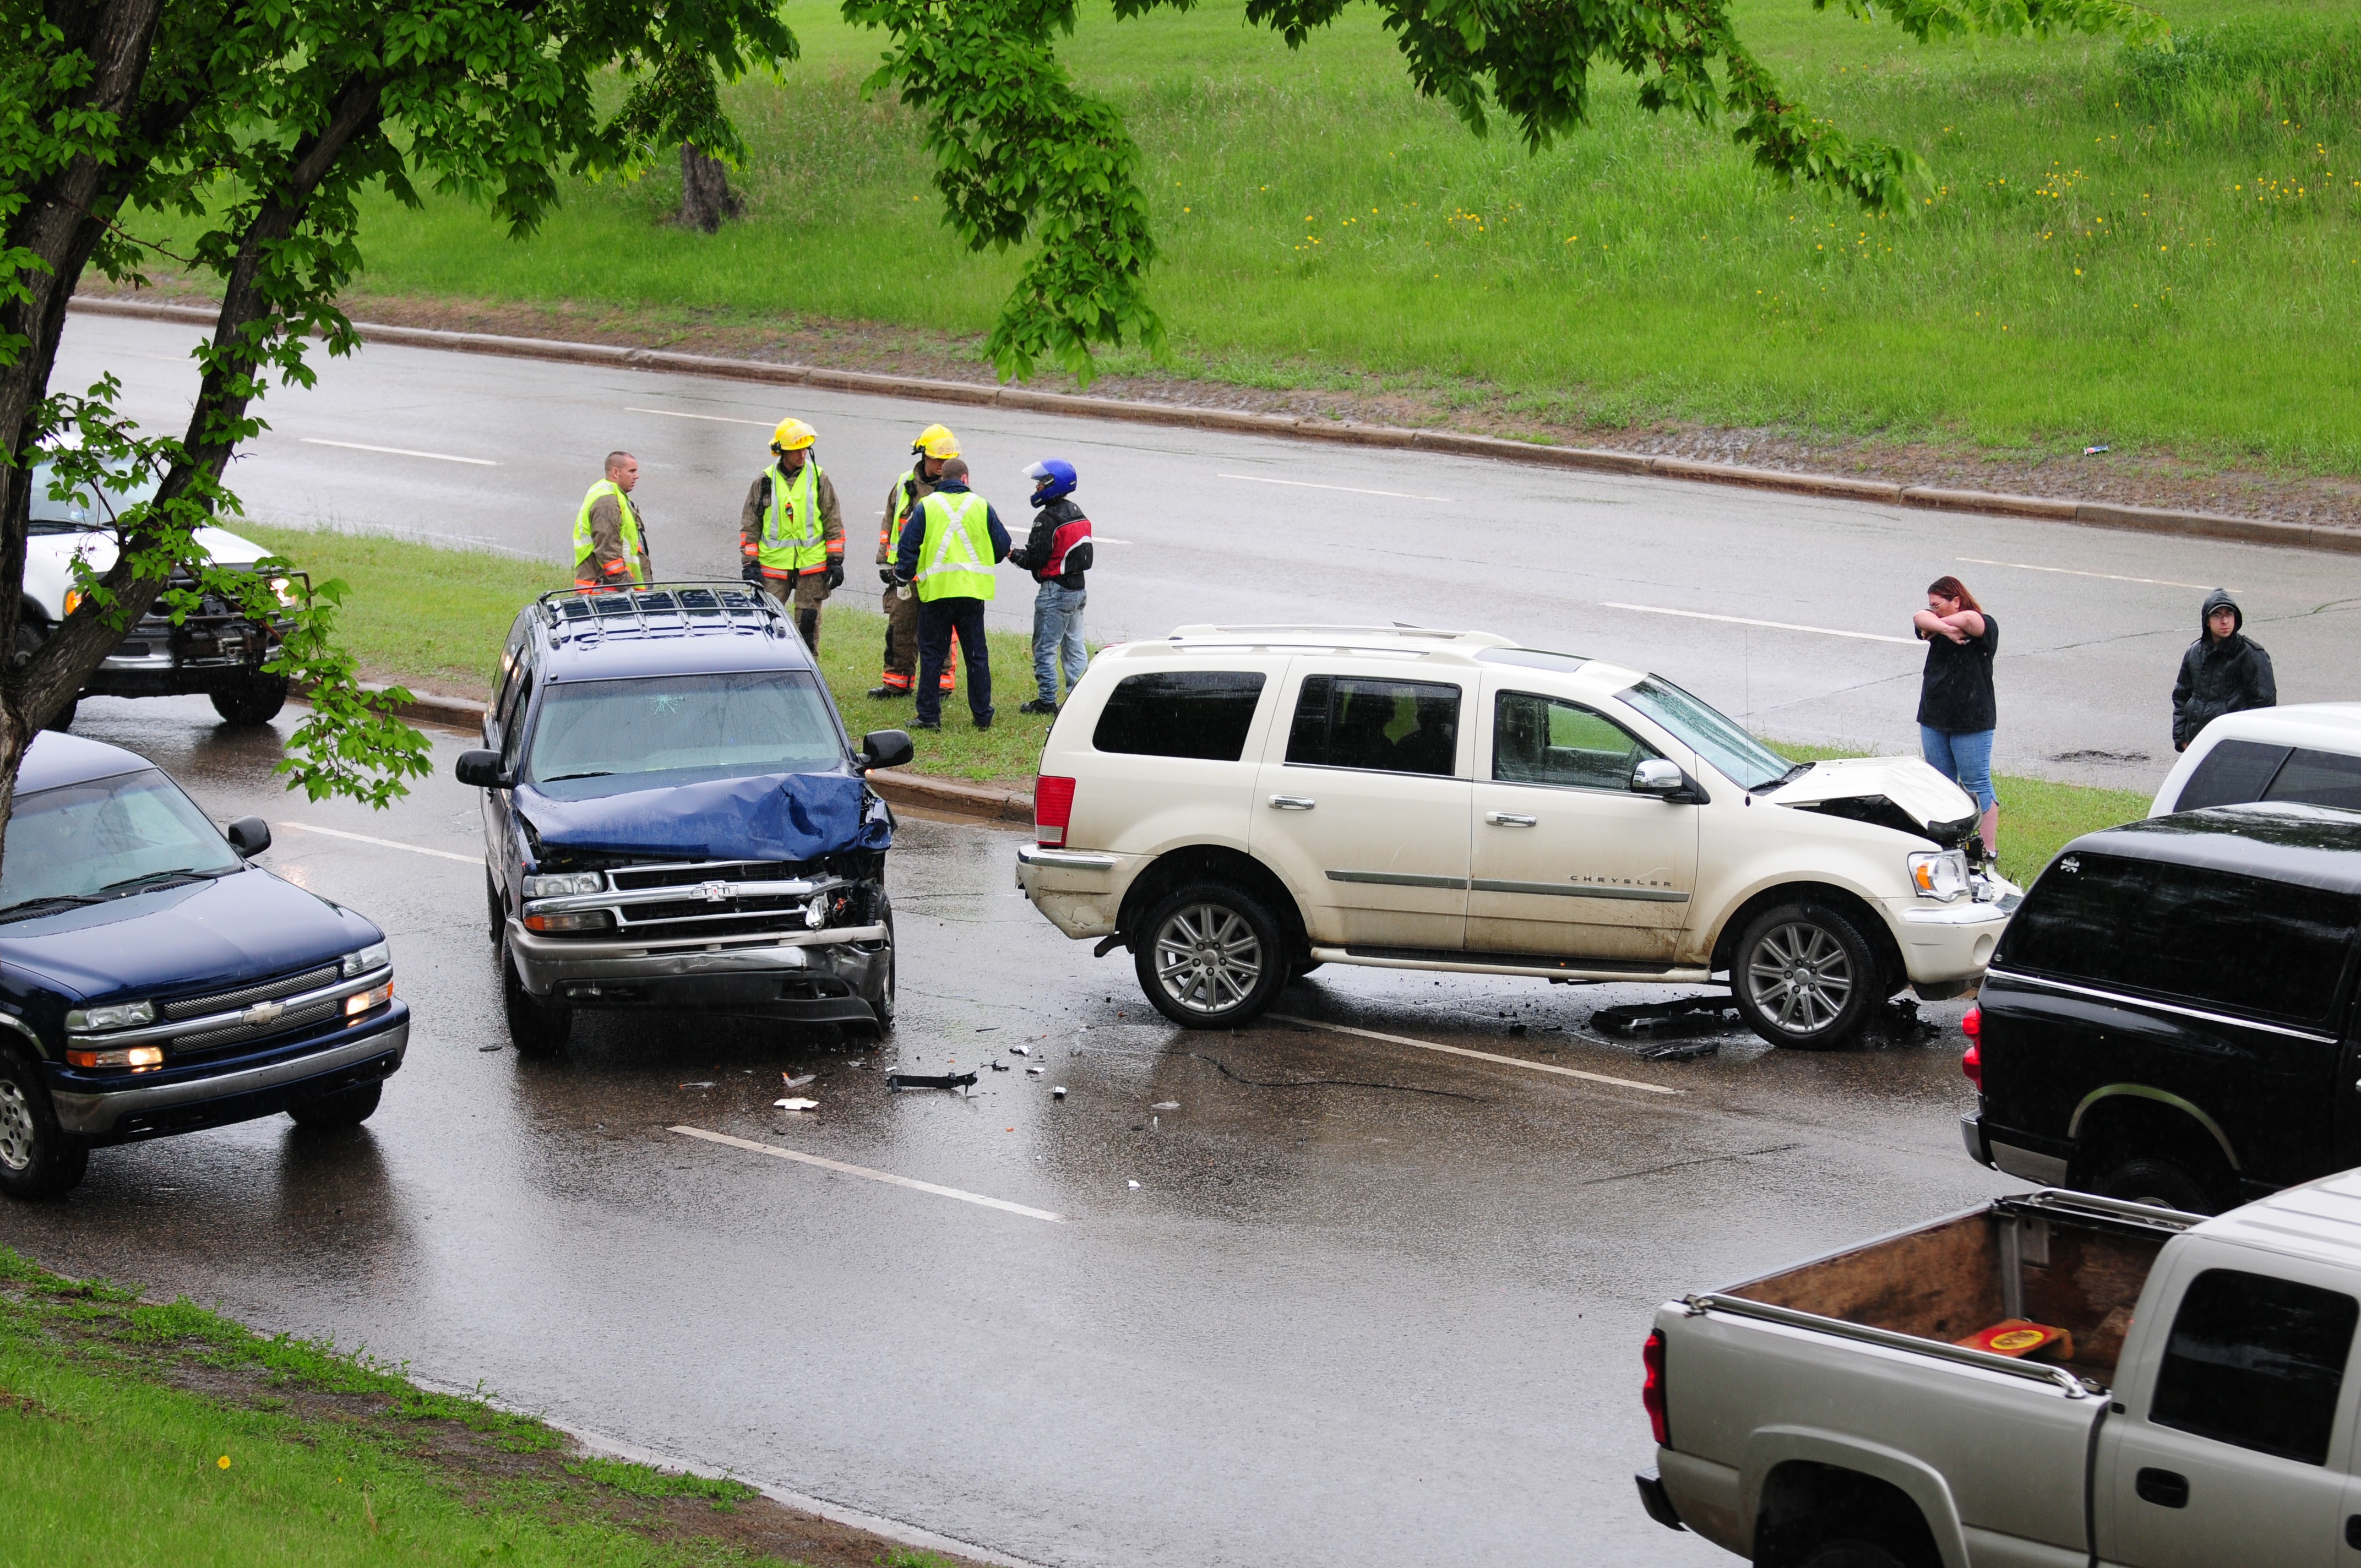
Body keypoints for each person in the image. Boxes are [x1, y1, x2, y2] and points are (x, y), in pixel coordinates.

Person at [891, 456, 1009, 732]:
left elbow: (908, 548)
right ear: (965, 480)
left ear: (943, 479)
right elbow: (1003, 546)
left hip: (937, 595)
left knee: (932, 655)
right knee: (976, 655)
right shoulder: (981, 506)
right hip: (972, 594)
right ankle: (982, 716)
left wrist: (903, 576)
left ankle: (929, 716)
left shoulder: (927, 506)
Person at [1912, 574, 1999, 859]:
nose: (1933, 610)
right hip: (1935, 716)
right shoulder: (1935, 625)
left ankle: (1987, 851)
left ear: (1957, 601)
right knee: (1940, 782)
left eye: (1939, 605)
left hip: (1971, 720)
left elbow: (1971, 622)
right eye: (1932, 606)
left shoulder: (1985, 626)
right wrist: (1942, 628)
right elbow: (1919, 617)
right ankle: (1949, 846)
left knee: (1976, 782)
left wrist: (1939, 627)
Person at [738, 418, 844, 651]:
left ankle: (806, 671)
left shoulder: (818, 478)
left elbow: (832, 520)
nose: (802, 455)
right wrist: (750, 564)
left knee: (808, 623)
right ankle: (770, 665)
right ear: (782, 451)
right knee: (767, 619)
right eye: (797, 450)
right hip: (774, 566)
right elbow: (750, 526)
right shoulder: (764, 481)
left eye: (805, 449)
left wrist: (836, 560)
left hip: (812, 565)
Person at [871, 426, 960, 699]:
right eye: (937, 459)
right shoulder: (904, 483)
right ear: (922, 455)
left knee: (940, 632)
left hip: (939, 574)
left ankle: (942, 685)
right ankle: (897, 682)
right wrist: (886, 562)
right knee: (900, 627)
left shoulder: (955, 489)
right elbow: (890, 523)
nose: (942, 465)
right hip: (905, 573)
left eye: (947, 461)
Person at [1006, 458, 1094, 715]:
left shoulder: (1046, 519)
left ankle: (1046, 701)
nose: (1037, 488)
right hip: (1078, 590)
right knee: (1074, 647)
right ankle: (1078, 701)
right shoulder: (1078, 512)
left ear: (1054, 485)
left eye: (1041, 483)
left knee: (1044, 648)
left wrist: (1011, 554)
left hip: (1055, 591)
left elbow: (1034, 558)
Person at [2172, 588, 2276, 753]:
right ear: (2207, 621)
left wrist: (2243, 744)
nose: (2225, 621)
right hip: (2197, 743)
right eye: (2217, 616)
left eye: (2229, 614)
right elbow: (2181, 696)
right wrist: (2182, 739)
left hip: (2231, 746)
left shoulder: (2251, 655)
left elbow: (2264, 706)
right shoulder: (2194, 653)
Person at [573, 451, 651, 590]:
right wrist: (628, 588)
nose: (636, 476)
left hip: (612, 593)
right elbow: (608, 554)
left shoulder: (615, 496)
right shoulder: (607, 504)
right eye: (631, 471)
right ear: (616, 473)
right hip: (606, 595)